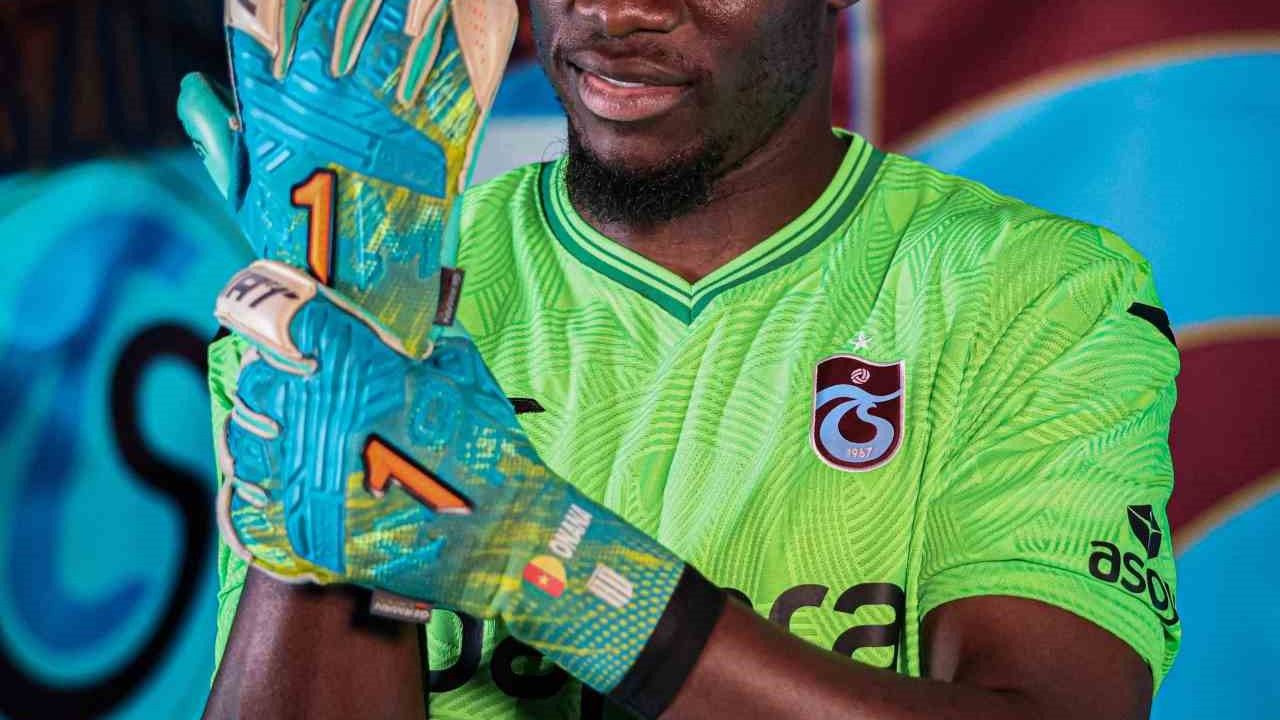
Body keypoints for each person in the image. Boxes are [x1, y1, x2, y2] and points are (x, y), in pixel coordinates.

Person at [200, 1, 1180, 718]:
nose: (615, 13)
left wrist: (549, 560)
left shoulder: (1036, 293)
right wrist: (343, 317)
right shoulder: (363, 277)